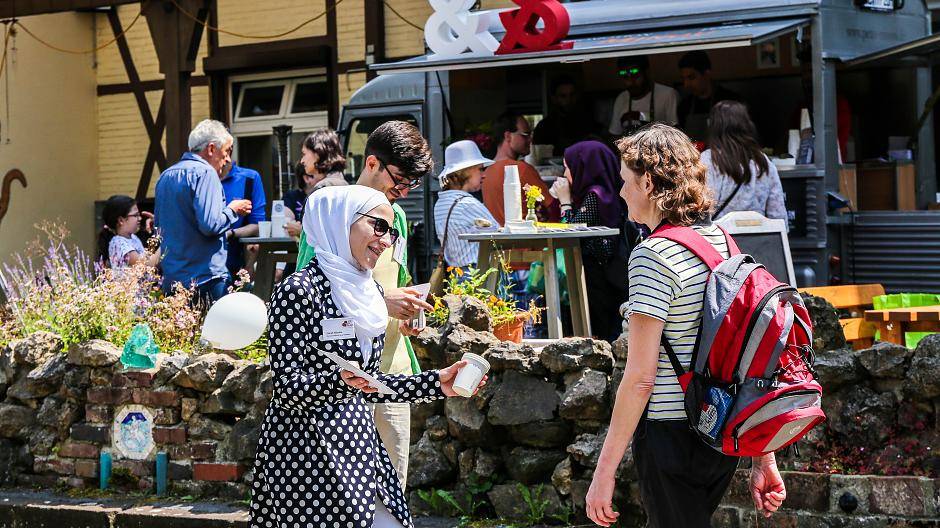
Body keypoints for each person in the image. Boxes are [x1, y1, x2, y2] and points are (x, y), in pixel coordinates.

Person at [585, 124, 786, 528]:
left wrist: (603, 474)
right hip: (720, 431)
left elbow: (640, 379)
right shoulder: (722, 241)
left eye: (626, 181)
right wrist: (763, 455)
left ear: (648, 182)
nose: (621, 193)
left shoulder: (651, 255)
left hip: (670, 435)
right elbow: (750, 358)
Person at [249, 186, 484, 528]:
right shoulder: (298, 290)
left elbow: (370, 383)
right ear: (339, 222)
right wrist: (338, 381)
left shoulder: (368, 289)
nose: (386, 240)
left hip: (359, 448)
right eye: (378, 227)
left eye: (391, 231)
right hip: (305, 456)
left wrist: (437, 383)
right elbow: (286, 387)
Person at [295, 120, 434, 488]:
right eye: (399, 180)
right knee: (339, 498)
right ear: (371, 163)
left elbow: (398, 282)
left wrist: (409, 312)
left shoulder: (398, 218)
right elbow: (307, 294)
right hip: (340, 376)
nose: (403, 191)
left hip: (392, 371)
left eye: (411, 185)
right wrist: (383, 300)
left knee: (392, 496)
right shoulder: (329, 211)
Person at [154, 119, 252, 303]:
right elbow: (210, 225)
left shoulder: (165, 176)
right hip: (205, 279)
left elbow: (158, 232)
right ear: (211, 149)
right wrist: (233, 209)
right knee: (215, 333)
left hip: (173, 280)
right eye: (227, 151)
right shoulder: (206, 173)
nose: (228, 159)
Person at [549, 141, 628, 342]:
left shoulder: (595, 196)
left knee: (601, 332)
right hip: (609, 277)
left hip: (599, 278)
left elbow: (569, 232)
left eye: (568, 168)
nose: (566, 175)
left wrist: (565, 202)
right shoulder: (609, 192)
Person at [703, 101, 787, 222]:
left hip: (720, 238)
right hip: (757, 237)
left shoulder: (707, 160)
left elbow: (701, 211)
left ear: (714, 127)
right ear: (746, 126)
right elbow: (778, 214)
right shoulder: (762, 161)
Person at [482, 111, 559, 225]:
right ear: (508, 136)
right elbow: (553, 208)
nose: (530, 140)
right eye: (525, 135)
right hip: (525, 239)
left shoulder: (486, 172)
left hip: (497, 239)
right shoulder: (521, 169)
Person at [434, 141, 499, 271]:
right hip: (477, 275)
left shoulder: (441, 203)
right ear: (464, 171)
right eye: (480, 169)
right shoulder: (467, 204)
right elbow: (499, 235)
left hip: (456, 275)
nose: (484, 174)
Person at [283, 128, 349, 239]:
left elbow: (319, 236)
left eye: (304, 154)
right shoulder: (342, 183)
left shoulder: (323, 188)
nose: (302, 161)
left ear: (318, 153)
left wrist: (301, 230)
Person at [677, 50, 742, 141]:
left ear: (707, 74)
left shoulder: (730, 101)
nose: (686, 84)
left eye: (691, 77)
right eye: (683, 79)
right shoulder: (684, 106)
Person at [608, 56, 678, 137]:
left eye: (635, 74)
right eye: (625, 76)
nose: (630, 82)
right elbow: (615, 135)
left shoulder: (668, 94)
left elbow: (676, 134)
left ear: (647, 72)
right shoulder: (621, 98)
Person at [220, 161, 267, 280]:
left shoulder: (249, 178)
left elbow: (258, 225)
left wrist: (231, 233)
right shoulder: (200, 179)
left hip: (235, 256)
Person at [533, 76, 598, 156]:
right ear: (554, 98)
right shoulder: (544, 127)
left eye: (572, 95)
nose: (569, 100)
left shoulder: (588, 122)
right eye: (563, 96)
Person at [98, 194, 160, 270]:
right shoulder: (119, 243)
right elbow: (148, 264)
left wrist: (158, 225)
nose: (140, 218)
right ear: (121, 220)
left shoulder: (133, 237)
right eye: (135, 215)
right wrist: (168, 237)